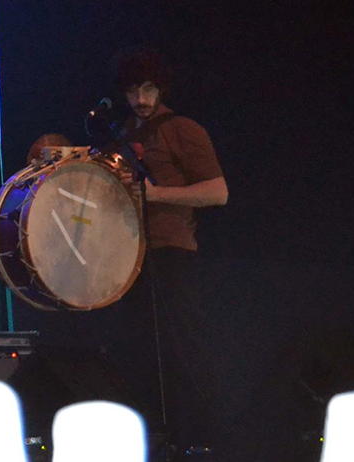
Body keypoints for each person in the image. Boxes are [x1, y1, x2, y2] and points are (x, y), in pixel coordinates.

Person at [108, 46, 229, 460]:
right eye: (133, 91)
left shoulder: (183, 129)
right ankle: (159, 441)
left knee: (183, 349)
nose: (141, 99)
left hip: (173, 252)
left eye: (148, 89)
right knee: (142, 354)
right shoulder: (123, 134)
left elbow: (218, 192)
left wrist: (157, 194)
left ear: (161, 89)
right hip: (132, 259)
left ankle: (202, 440)